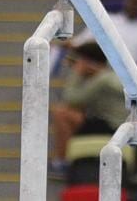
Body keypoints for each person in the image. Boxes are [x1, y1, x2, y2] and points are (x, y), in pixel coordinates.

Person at [49, 42, 127, 176]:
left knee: (61, 113)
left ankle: (63, 163)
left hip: (113, 127)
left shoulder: (102, 79)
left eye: (79, 61)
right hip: (110, 123)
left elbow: (71, 98)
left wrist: (76, 73)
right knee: (71, 111)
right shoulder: (108, 75)